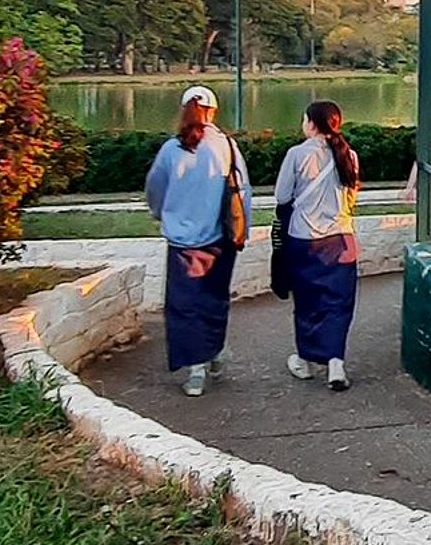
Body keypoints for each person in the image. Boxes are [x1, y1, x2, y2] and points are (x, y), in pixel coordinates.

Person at [144, 85, 251, 396]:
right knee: (214, 299)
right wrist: (242, 230)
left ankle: (195, 370)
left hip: (183, 243)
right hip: (219, 238)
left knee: (184, 305)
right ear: (213, 111)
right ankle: (214, 351)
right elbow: (242, 190)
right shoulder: (226, 146)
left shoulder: (171, 150)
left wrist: (162, 214)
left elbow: (154, 189)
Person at [274, 98, 361, 390]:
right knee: (338, 302)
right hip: (340, 239)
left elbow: (282, 196)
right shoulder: (349, 155)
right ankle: (336, 363)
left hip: (304, 238)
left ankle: (305, 359)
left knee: (307, 301)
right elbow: (351, 198)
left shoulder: (297, 154)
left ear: (312, 124)